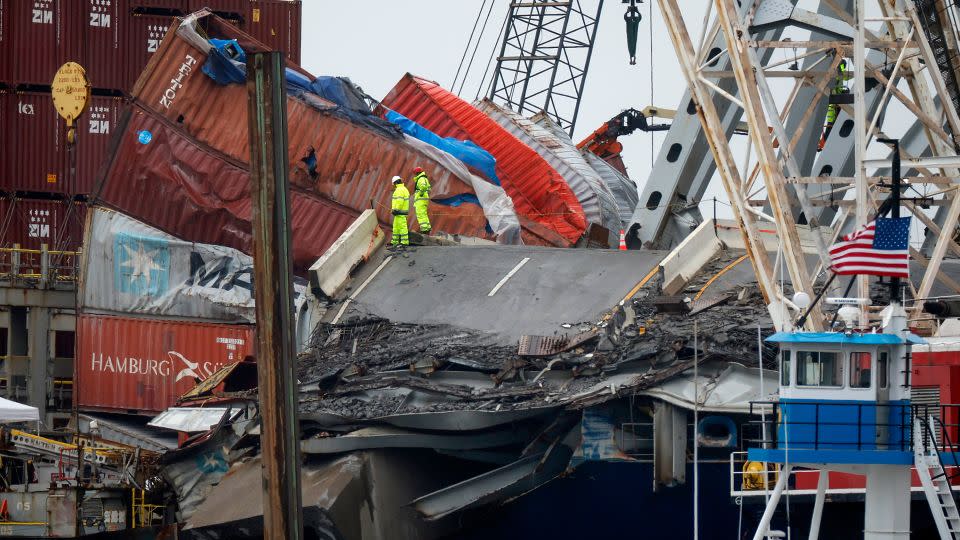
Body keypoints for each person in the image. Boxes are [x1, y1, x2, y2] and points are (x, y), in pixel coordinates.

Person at [390, 175, 410, 246]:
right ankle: (394, 242)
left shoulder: (399, 190)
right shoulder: (403, 189)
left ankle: (404, 242)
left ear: (395, 183)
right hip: (400, 212)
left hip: (400, 212)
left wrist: (395, 210)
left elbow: (399, 201)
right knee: (396, 227)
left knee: (402, 227)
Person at [411, 166, 432, 234]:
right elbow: (429, 188)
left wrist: (420, 193)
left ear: (417, 173)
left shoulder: (421, 179)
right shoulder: (425, 178)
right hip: (424, 198)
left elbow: (423, 187)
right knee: (424, 214)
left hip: (421, 199)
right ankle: (427, 228)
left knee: (420, 214)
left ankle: (424, 230)